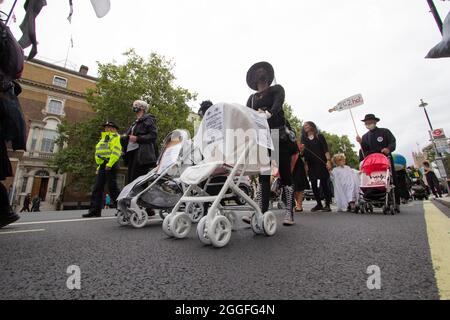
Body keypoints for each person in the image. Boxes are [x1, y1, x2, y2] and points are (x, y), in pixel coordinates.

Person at [242, 61, 297, 226]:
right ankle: (260, 211)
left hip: (277, 135)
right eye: (257, 71)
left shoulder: (277, 89)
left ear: (268, 74)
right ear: (252, 78)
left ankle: (289, 211)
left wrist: (268, 113)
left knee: (285, 173)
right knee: (264, 175)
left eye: (263, 70)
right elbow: (247, 115)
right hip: (262, 138)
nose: (260, 72)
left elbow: (278, 103)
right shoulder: (251, 99)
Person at [357, 114, 400, 211]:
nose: (368, 124)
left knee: (391, 180)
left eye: (370, 122)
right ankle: (371, 198)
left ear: (375, 122)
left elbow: (392, 142)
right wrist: (361, 142)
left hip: (384, 160)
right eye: (366, 123)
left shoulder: (385, 131)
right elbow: (363, 151)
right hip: (371, 163)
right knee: (371, 180)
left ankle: (396, 202)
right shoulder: (365, 136)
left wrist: (388, 149)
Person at [83, 121, 122, 218]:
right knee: (97, 188)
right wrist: (99, 166)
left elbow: (116, 152)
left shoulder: (116, 138)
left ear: (114, 129)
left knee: (112, 187)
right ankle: (95, 211)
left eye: (109, 127)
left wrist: (110, 164)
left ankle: (122, 209)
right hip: (102, 165)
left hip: (111, 163)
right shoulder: (103, 139)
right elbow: (100, 153)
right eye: (106, 127)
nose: (107, 129)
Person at [300, 122, 333, 212]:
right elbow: (302, 155)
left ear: (312, 126)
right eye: (304, 126)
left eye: (307, 125)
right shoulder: (304, 139)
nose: (305, 127)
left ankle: (327, 205)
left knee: (324, 183)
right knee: (313, 184)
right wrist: (301, 151)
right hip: (311, 164)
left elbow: (326, 150)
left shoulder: (320, 136)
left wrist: (328, 161)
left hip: (322, 163)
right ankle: (319, 204)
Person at [123, 100, 158, 184]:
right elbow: (128, 137)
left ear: (142, 108)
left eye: (136, 105)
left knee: (138, 181)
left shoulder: (148, 119)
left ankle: (139, 197)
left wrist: (138, 138)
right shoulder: (135, 123)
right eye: (133, 105)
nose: (134, 107)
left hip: (141, 155)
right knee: (131, 180)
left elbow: (153, 135)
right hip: (132, 153)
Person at [291, 141, 310, 212]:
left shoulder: (299, 143)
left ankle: (298, 205)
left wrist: (301, 151)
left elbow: (303, 157)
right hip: (290, 167)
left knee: (300, 187)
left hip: (299, 167)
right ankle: (299, 204)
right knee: (294, 188)